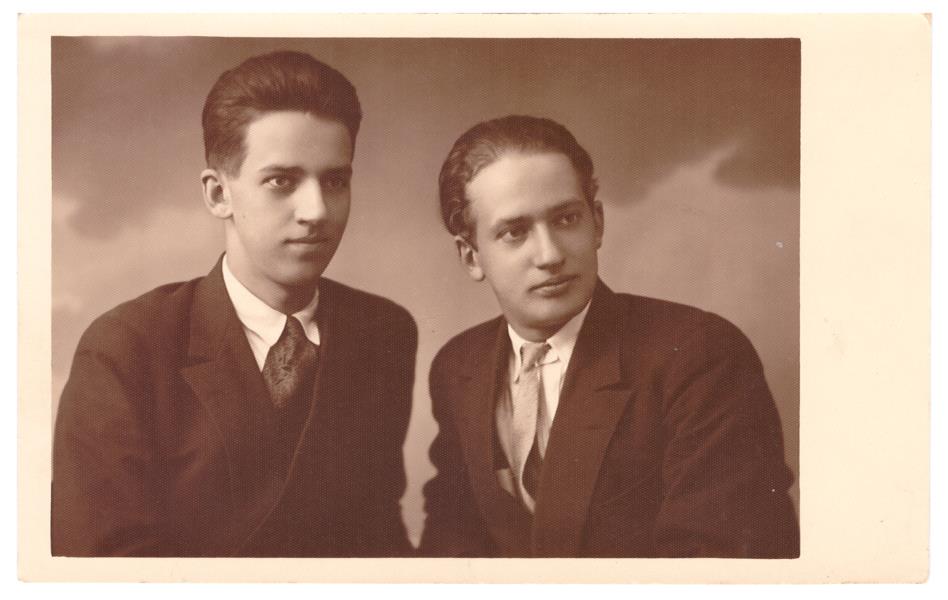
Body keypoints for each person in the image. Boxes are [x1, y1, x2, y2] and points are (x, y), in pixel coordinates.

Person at [52, 51, 416, 557]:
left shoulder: (382, 331)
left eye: (335, 180)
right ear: (218, 194)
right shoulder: (126, 348)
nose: (316, 211)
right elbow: (104, 567)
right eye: (281, 181)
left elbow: (377, 537)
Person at [419, 115, 799, 558]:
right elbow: (453, 544)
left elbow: (720, 563)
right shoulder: (459, 367)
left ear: (596, 223)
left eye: (566, 219)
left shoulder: (700, 356)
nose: (550, 254)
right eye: (514, 232)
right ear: (471, 256)